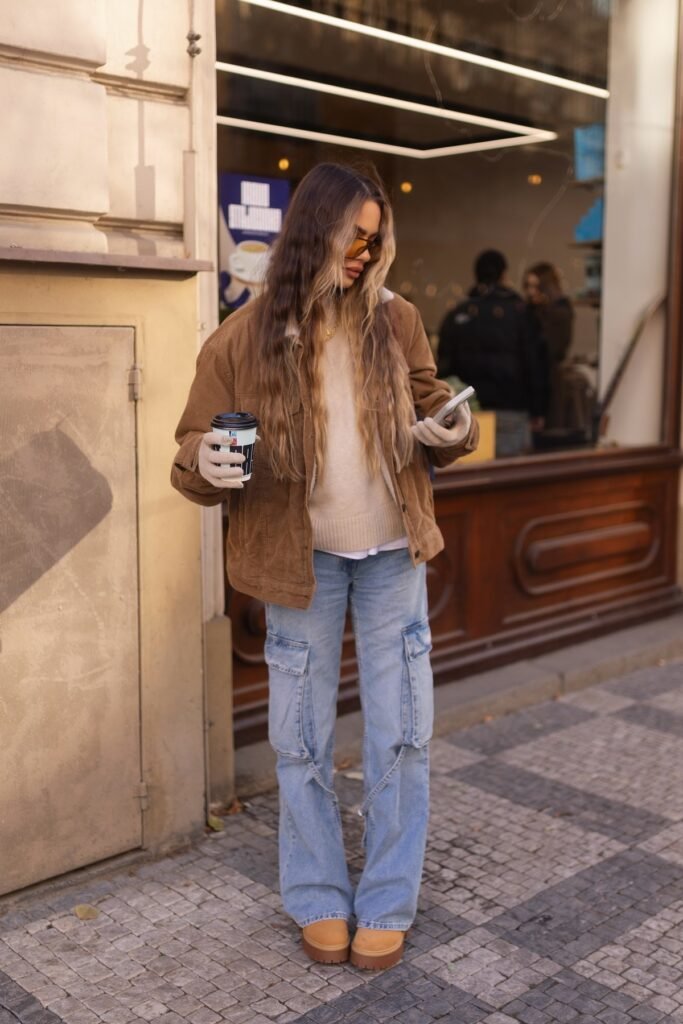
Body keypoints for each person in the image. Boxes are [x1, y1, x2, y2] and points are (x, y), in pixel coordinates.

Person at [171, 163, 478, 971]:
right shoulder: (242, 336)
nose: (365, 253)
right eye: (354, 237)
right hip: (295, 564)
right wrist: (208, 458)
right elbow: (189, 454)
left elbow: (429, 401)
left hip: (389, 555)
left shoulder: (396, 318)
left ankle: (386, 895)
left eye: (375, 241)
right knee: (300, 741)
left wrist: (451, 428)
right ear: (313, 231)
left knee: (402, 735)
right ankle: (314, 893)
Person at [437, 249, 548, 458]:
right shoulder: (521, 314)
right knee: (512, 481)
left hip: (470, 411)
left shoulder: (458, 314)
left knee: (473, 477)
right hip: (512, 408)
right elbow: (535, 364)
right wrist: (538, 409)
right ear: (504, 275)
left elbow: (444, 367)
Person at [522, 261, 575, 429]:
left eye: (536, 286)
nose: (531, 292)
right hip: (530, 391)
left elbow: (552, 351)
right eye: (528, 286)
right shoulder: (528, 312)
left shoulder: (559, 313)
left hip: (550, 390)